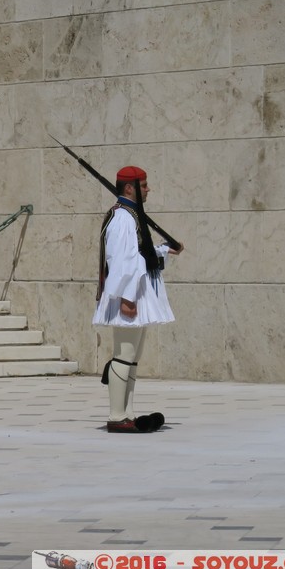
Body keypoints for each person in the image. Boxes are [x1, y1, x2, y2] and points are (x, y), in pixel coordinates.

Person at [93, 166, 183, 433]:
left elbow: (139, 254)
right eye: (143, 185)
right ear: (130, 188)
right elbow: (122, 261)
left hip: (134, 293)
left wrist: (164, 250)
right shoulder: (122, 218)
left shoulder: (131, 215)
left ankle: (127, 413)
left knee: (131, 358)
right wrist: (126, 298)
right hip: (128, 295)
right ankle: (117, 416)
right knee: (123, 356)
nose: (148, 189)